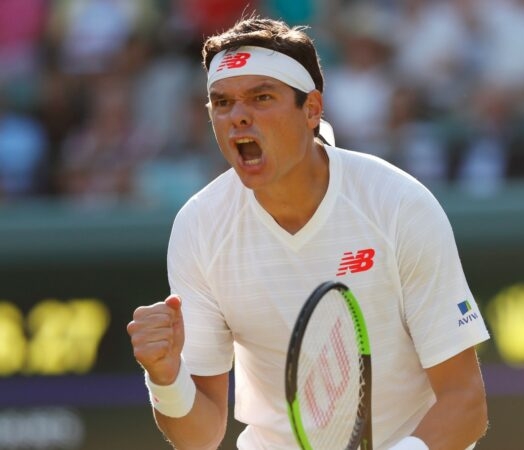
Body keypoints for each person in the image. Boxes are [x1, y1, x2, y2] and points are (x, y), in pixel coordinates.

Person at [127, 15, 489, 450]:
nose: (238, 117)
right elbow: (201, 435)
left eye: (261, 97)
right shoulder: (199, 226)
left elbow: (465, 402)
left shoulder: (397, 205)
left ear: (312, 110)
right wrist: (166, 379)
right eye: (222, 103)